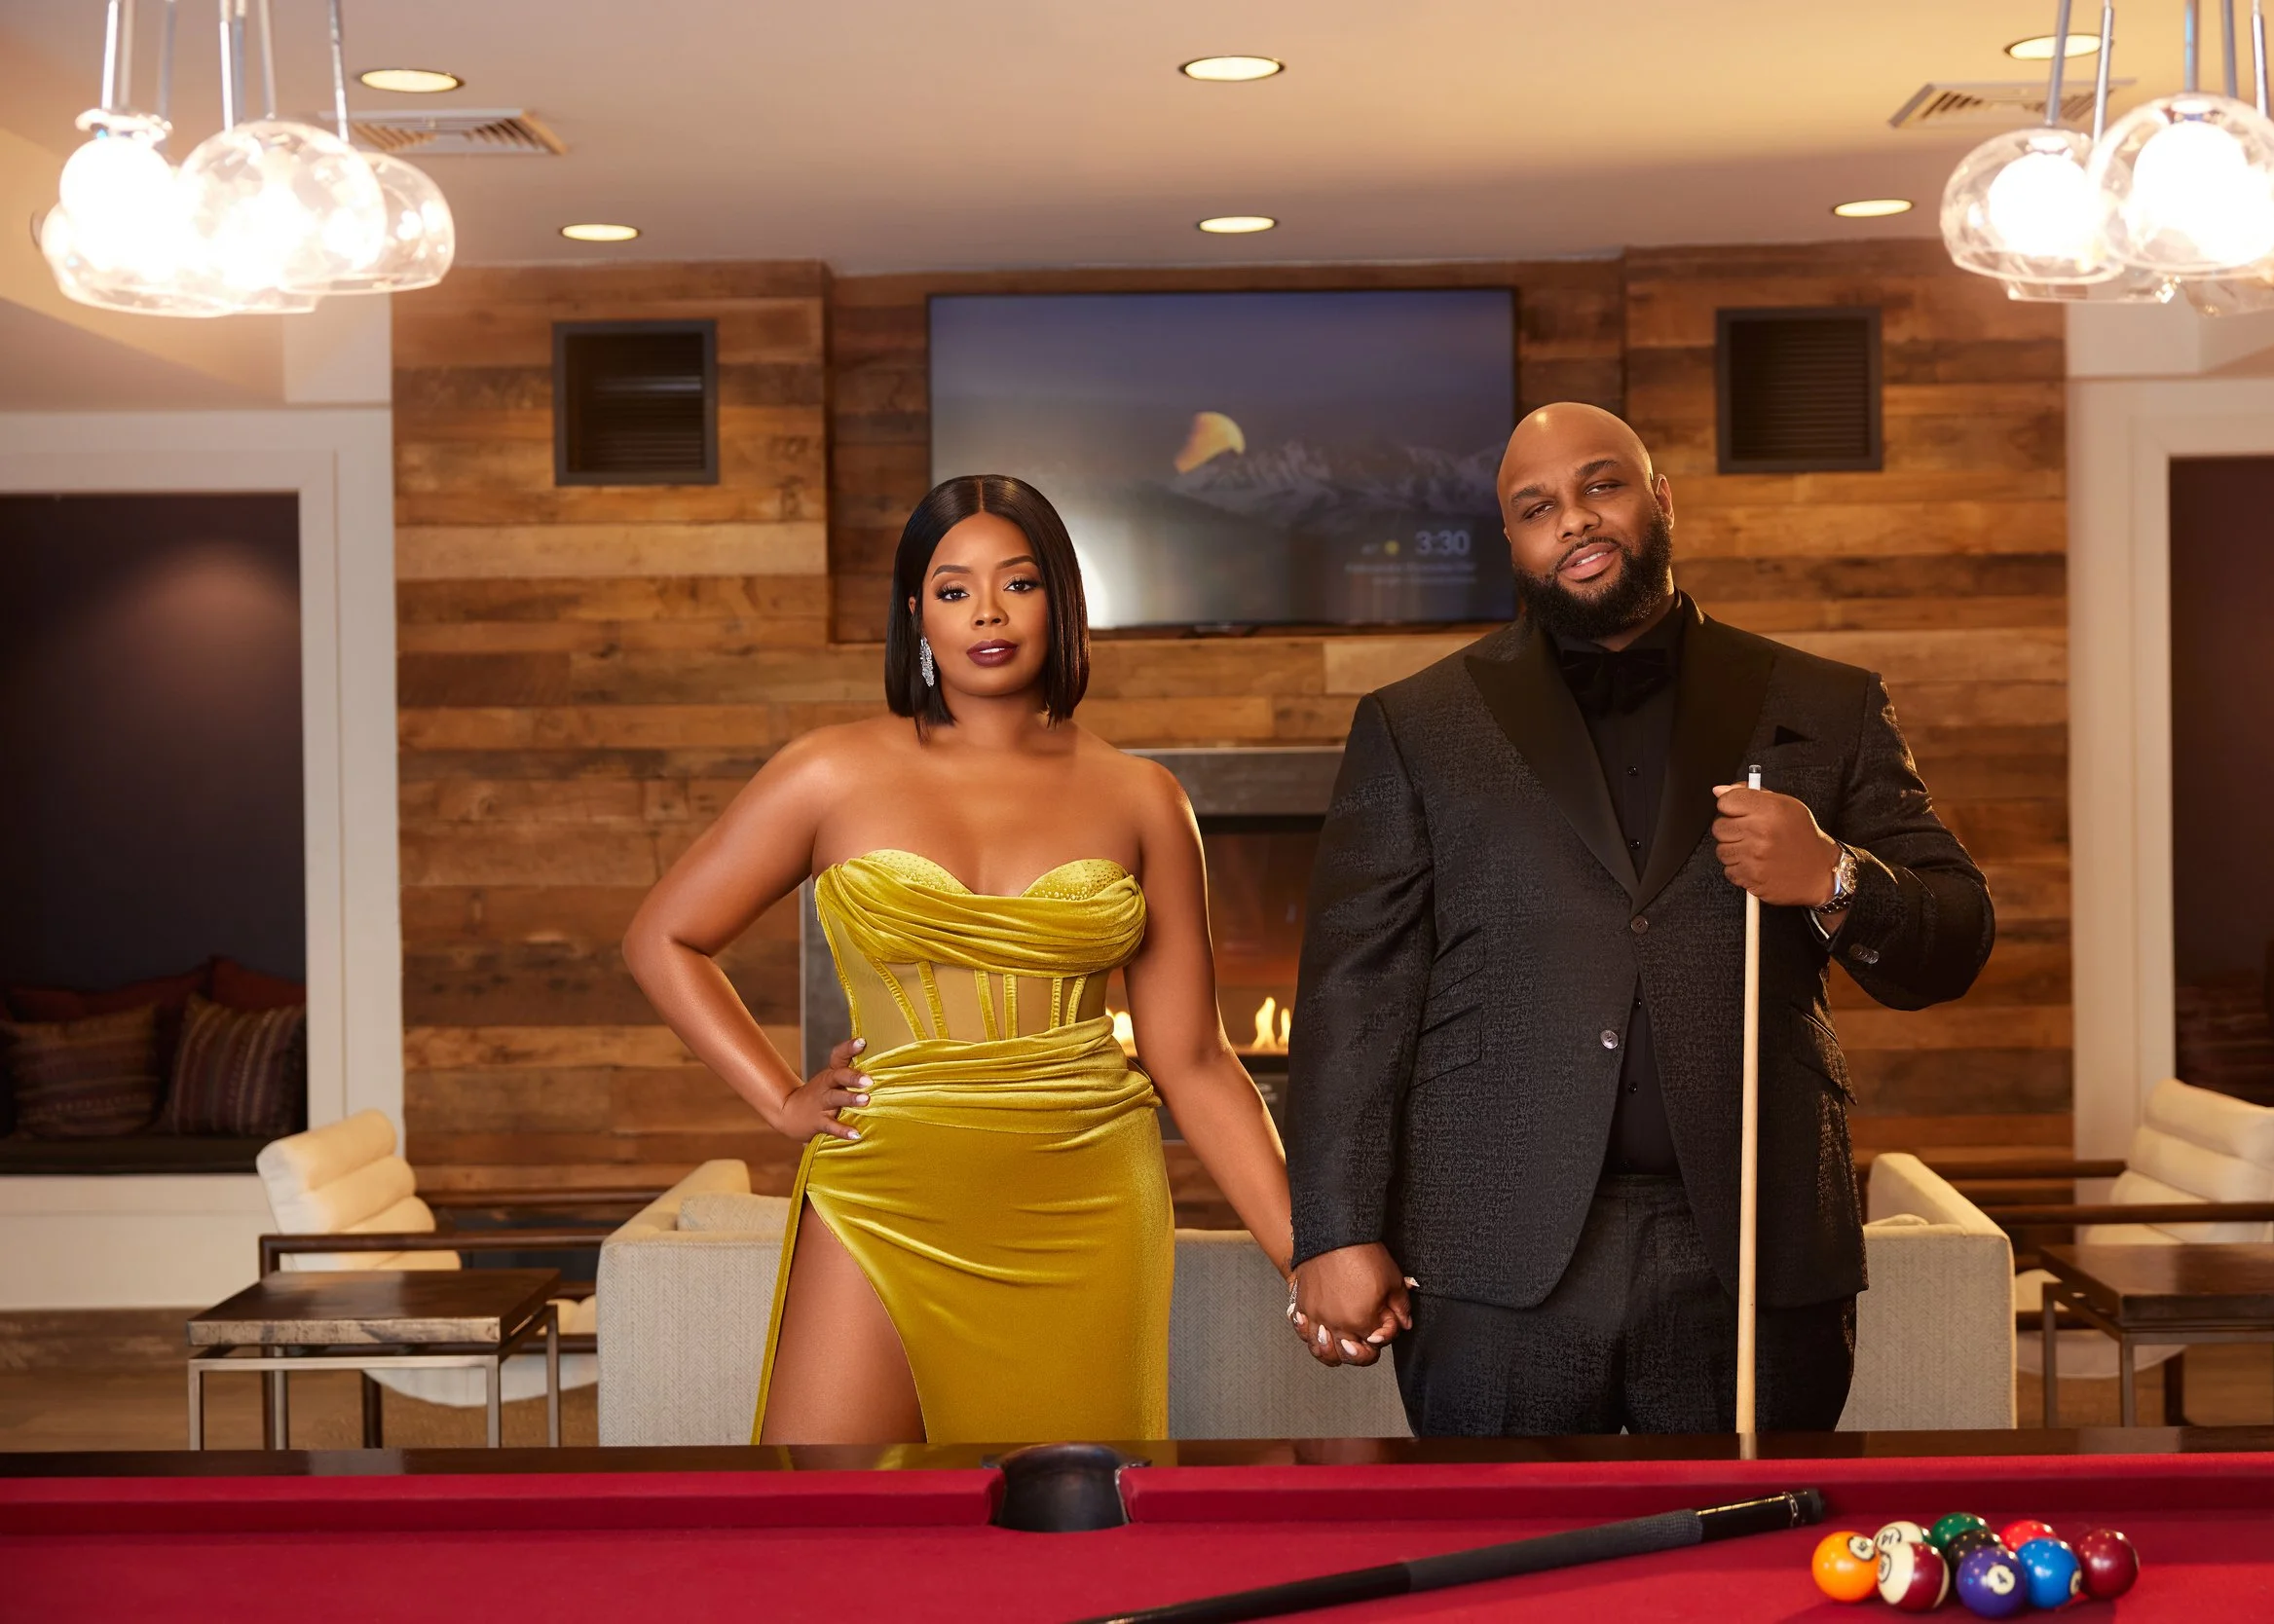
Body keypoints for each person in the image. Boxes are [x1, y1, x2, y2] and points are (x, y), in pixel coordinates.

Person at [1284, 403, 1994, 1435]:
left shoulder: (1825, 703)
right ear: (1512, 542)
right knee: (1509, 1544)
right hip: (1494, 1252)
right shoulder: (1415, 725)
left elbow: (1956, 938)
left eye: (1601, 485)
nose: (1574, 519)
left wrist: (1835, 876)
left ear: (1660, 498)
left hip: (1756, 1241)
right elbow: (1354, 995)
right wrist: (1333, 1228)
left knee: (1744, 1541)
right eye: (1537, 508)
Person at [623, 474, 1294, 1446]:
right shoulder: (828, 772)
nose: (987, 612)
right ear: (916, 613)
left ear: (1060, 602)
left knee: (1066, 1518)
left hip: (1088, 1197)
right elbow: (663, 938)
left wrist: (1309, 1258)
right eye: (953, 589)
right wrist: (779, 1100)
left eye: (1018, 583)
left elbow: (1192, 1059)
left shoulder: (1143, 797)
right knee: (824, 1509)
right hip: (885, 1187)